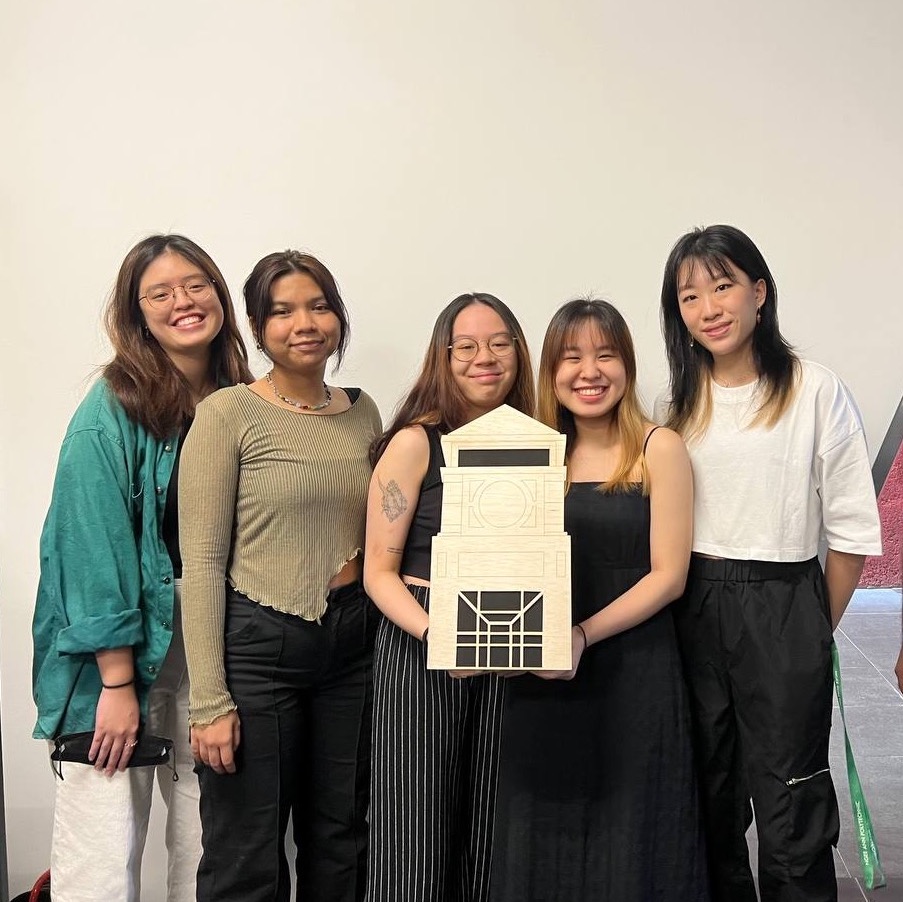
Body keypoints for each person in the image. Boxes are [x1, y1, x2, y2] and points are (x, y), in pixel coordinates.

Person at [658, 224, 882, 902]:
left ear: (758, 291)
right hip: (689, 601)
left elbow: (848, 531)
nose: (709, 308)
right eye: (689, 296)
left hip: (783, 601)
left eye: (722, 286)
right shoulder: (675, 402)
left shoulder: (814, 389)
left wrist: (811, 626)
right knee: (707, 796)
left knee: (790, 802)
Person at [32, 234, 251, 902]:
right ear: (138, 314)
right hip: (114, 658)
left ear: (218, 293)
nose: (183, 302)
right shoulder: (110, 407)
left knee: (211, 849)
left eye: (195, 284)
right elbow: (89, 548)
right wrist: (117, 683)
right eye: (160, 292)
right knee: (99, 861)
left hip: (216, 649)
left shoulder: (244, 400)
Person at [488, 299, 708, 901]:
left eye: (605, 355)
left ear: (628, 366)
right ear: (551, 371)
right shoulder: (532, 452)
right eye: (572, 357)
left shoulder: (659, 447)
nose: (589, 371)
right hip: (541, 671)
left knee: (635, 829)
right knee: (542, 830)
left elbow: (669, 575)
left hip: (635, 666)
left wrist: (581, 635)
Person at [180, 249, 381, 902]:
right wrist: (209, 702)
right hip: (260, 644)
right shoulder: (227, 414)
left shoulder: (364, 412)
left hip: (353, 646)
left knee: (342, 836)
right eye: (283, 310)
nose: (305, 322)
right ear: (258, 327)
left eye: (319, 305)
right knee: (247, 848)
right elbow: (203, 563)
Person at [364, 293, 535, 902]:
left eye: (499, 343)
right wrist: (439, 633)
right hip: (424, 633)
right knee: (415, 821)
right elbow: (378, 573)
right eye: (466, 346)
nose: (484, 358)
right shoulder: (415, 442)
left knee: (491, 814)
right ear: (443, 356)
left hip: (512, 634)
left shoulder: (537, 441)